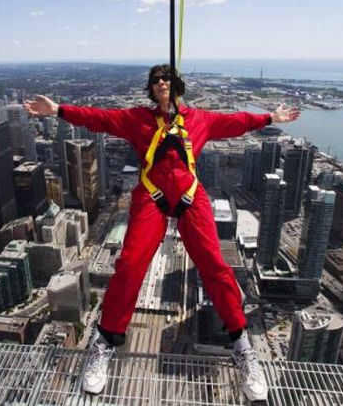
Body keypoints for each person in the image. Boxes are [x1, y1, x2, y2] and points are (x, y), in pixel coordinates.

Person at [24, 64, 300, 402]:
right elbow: (99, 118)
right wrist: (58, 110)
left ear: (177, 85)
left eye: (165, 79)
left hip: (189, 195)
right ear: (151, 88)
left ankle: (242, 347)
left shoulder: (199, 120)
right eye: (155, 80)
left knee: (215, 266)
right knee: (129, 266)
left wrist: (270, 117)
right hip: (152, 195)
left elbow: (237, 123)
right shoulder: (138, 119)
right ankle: (105, 342)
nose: (160, 84)